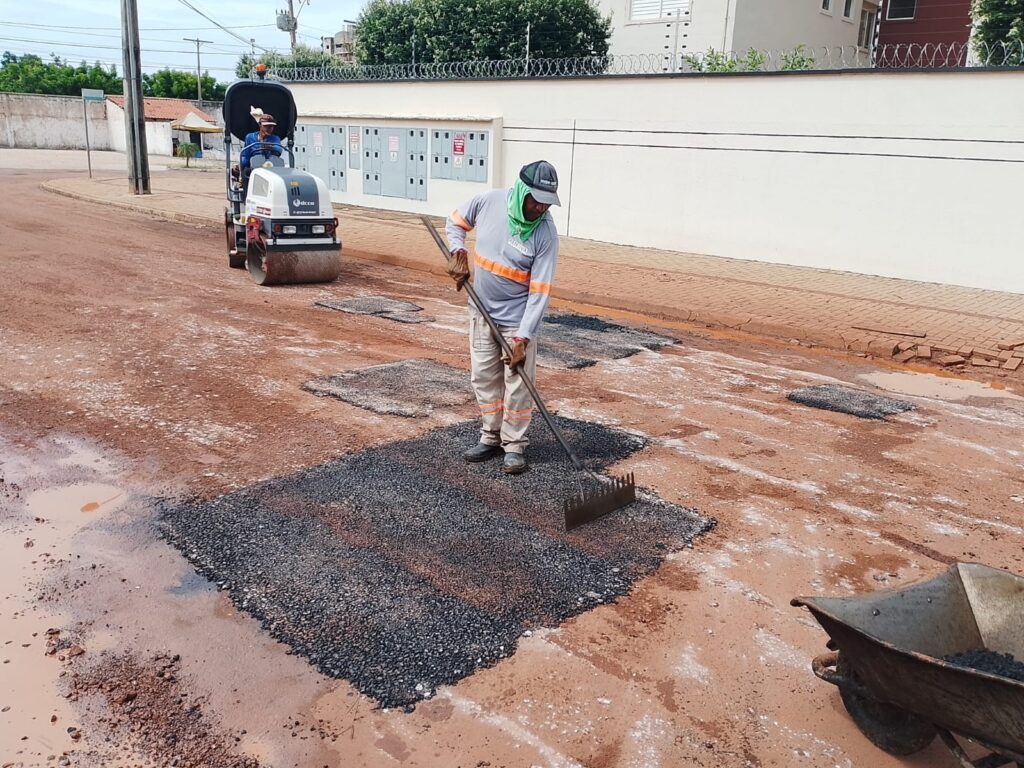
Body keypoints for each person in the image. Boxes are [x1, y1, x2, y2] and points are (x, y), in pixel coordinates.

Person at [445, 160, 560, 475]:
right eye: (535, 199)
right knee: (483, 378)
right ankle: (490, 436)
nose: (539, 207)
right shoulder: (489, 202)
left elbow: (540, 292)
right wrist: (458, 252)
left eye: (546, 202)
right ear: (521, 190)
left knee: (518, 385)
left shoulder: (546, 234)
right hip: (481, 312)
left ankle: (514, 446)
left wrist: (524, 336)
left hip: (516, 321)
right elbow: (454, 222)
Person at [234, 113, 282, 190]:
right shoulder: (250, 137)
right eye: (266, 126)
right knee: (246, 172)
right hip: (255, 165)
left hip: (271, 166)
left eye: (271, 126)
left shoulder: (275, 138)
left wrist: (269, 146)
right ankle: (245, 192)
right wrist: (241, 165)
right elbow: (246, 154)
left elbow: (279, 149)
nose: (269, 128)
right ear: (260, 125)